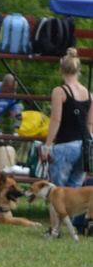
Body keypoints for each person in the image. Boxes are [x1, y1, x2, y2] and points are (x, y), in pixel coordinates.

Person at [40, 47, 93, 238]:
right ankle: (70, 229)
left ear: (61, 70)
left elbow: (56, 120)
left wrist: (47, 145)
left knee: (56, 192)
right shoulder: (88, 93)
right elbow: (90, 123)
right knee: (74, 192)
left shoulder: (59, 91)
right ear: (79, 70)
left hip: (64, 146)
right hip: (84, 146)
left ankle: (55, 231)